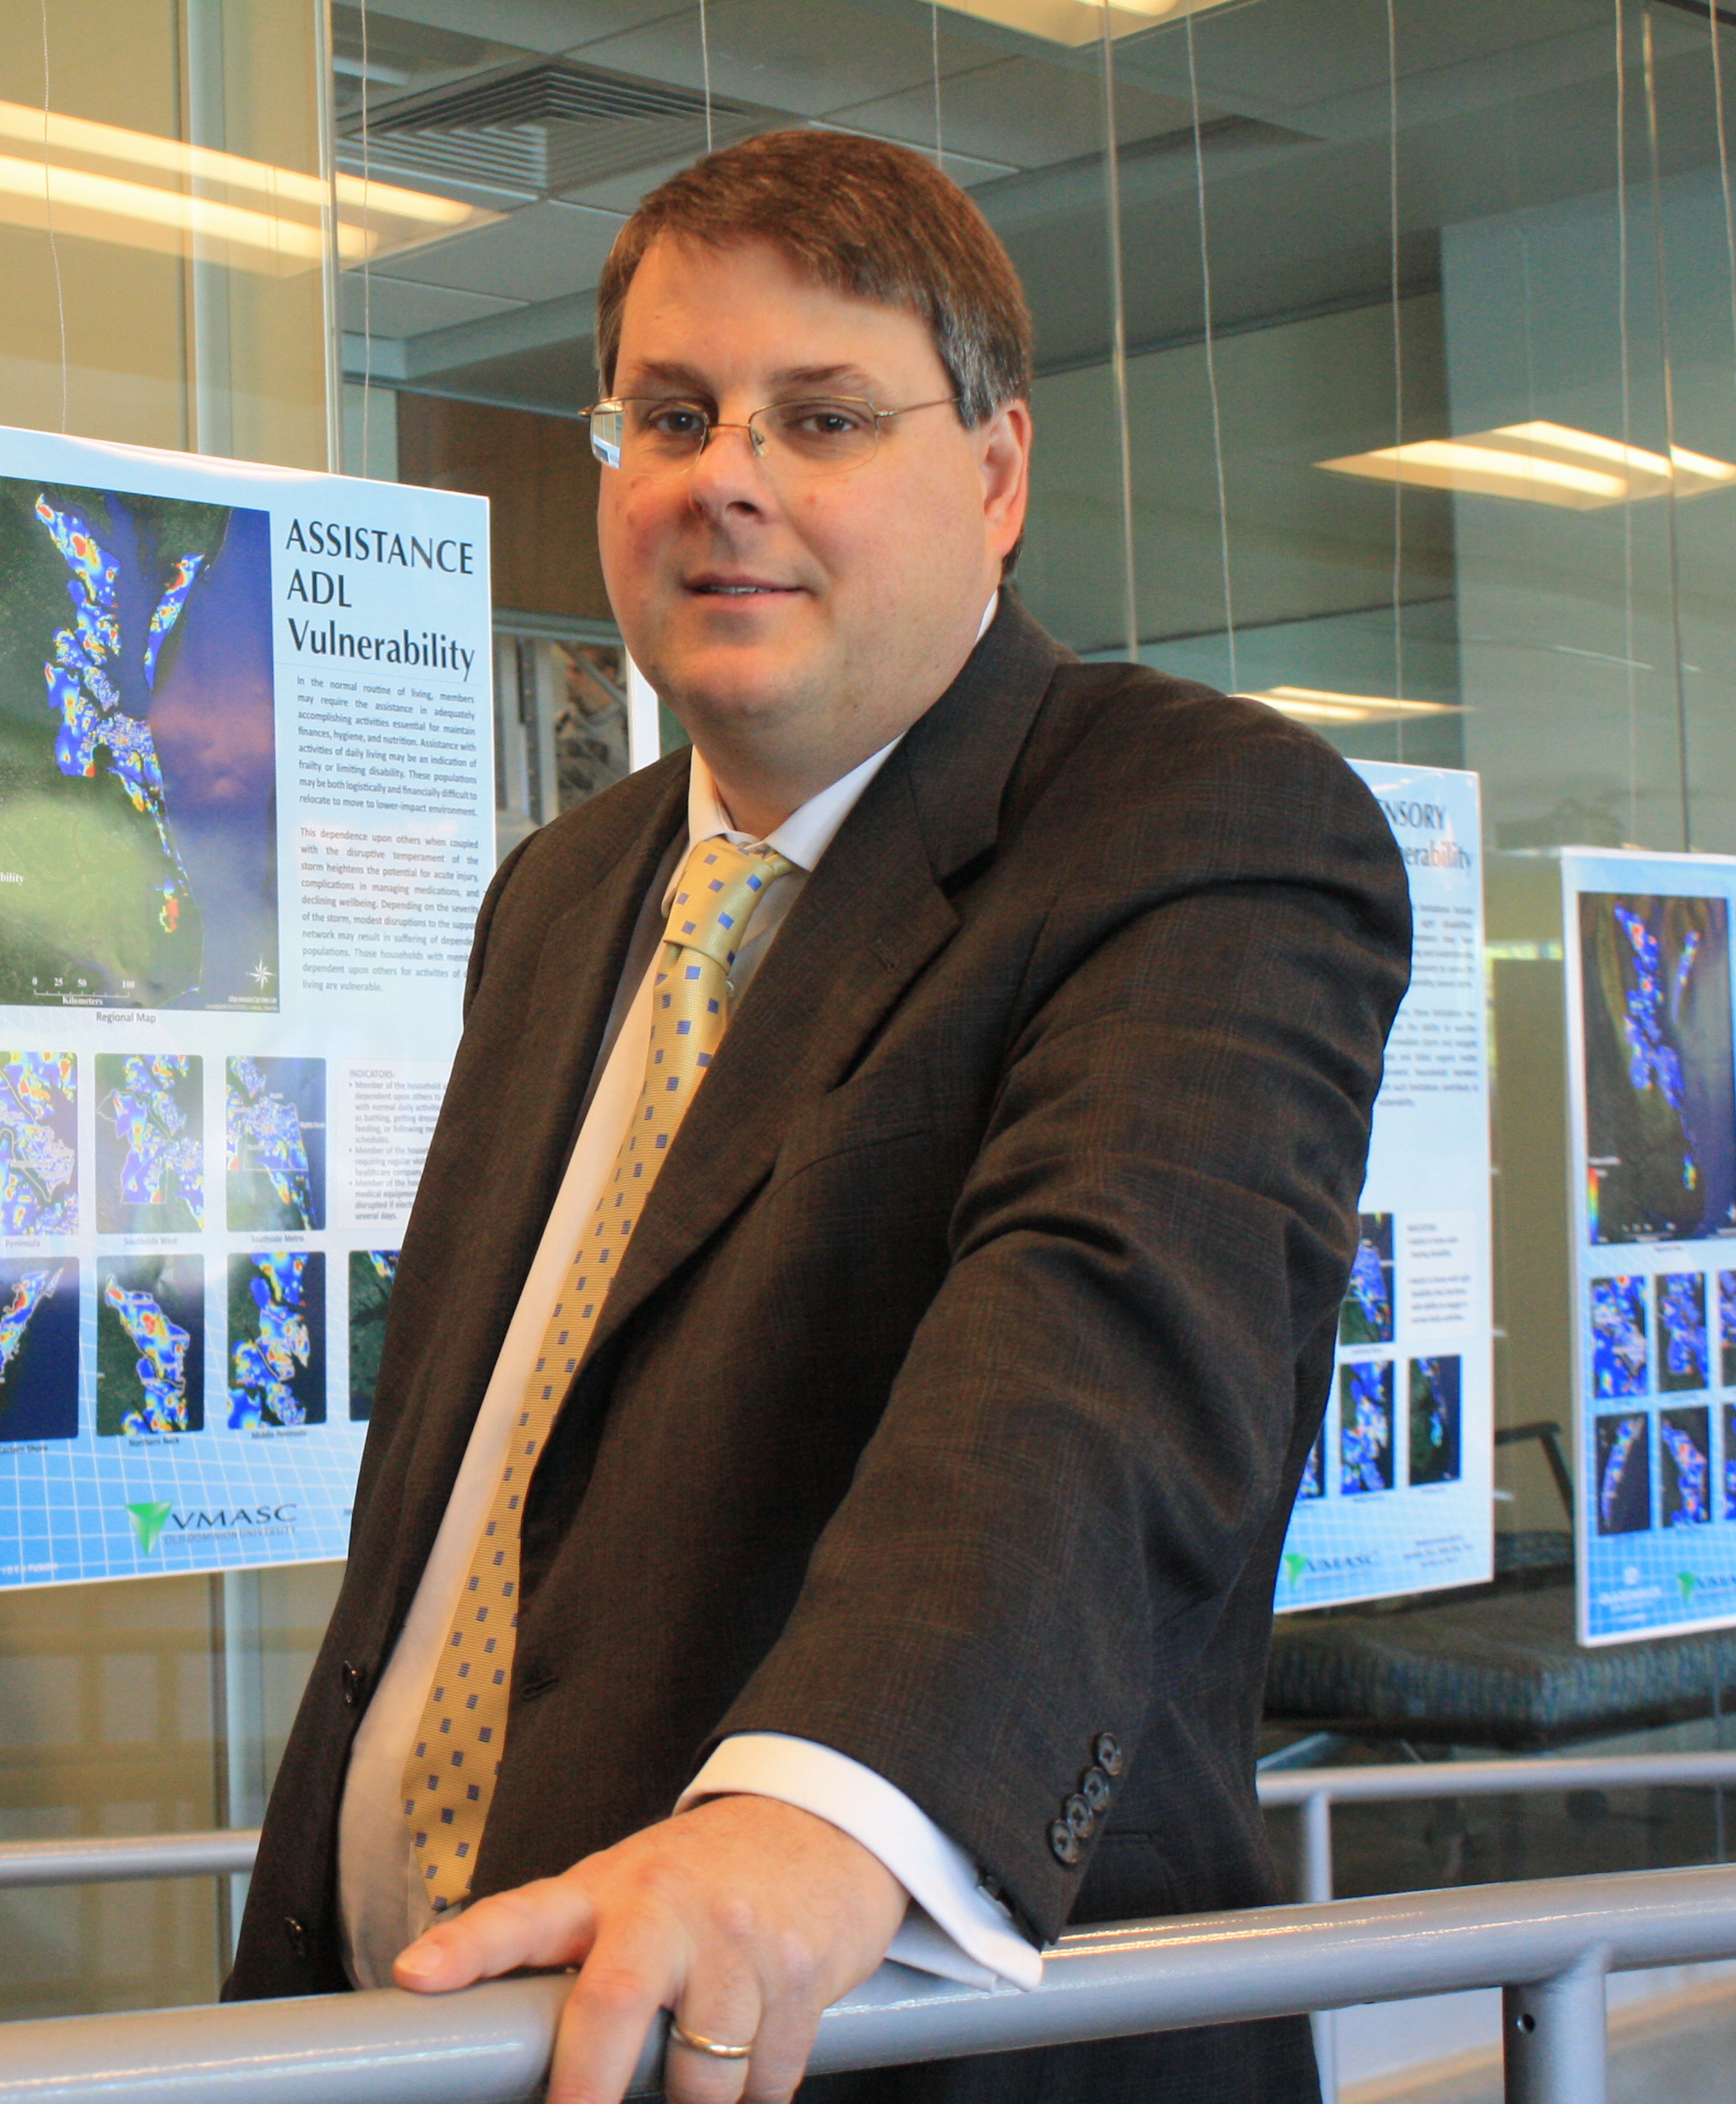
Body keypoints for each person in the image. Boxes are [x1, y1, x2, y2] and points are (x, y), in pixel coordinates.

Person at [225, 130, 1411, 2104]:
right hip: (421, 2038)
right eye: (671, 414)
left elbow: (1102, 1353)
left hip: (856, 2050)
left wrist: (822, 1813)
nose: (726, 477)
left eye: (825, 417)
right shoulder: (561, 897)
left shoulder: (1189, 823)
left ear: (998, 475)